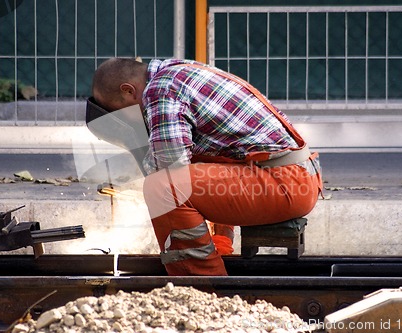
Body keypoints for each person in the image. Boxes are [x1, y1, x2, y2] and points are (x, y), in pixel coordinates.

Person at [89, 58, 322, 276]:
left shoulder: (161, 90)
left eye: (120, 113)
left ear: (128, 91)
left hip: (283, 183)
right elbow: (209, 159)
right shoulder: (178, 70)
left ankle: (202, 288)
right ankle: (219, 249)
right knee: (198, 168)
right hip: (293, 176)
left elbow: (172, 168)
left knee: (164, 187)